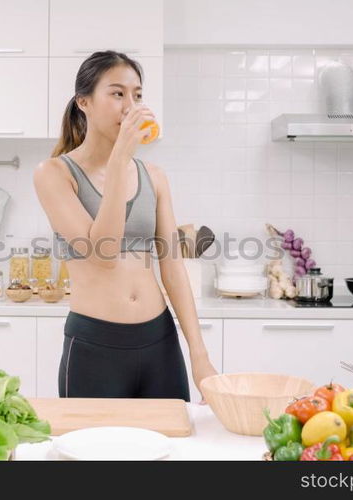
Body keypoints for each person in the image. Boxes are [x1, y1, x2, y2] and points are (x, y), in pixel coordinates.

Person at [33, 51, 218, 402]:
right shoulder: (54, 174)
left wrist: (199, 354)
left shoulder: (155, 177)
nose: (130, 106)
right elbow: (102, 252)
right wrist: (119, 158)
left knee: (172, 451)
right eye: (117, 94)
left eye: (137, 95)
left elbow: (173, 268)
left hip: (159, 344)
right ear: (83, 102)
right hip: (94, 347)